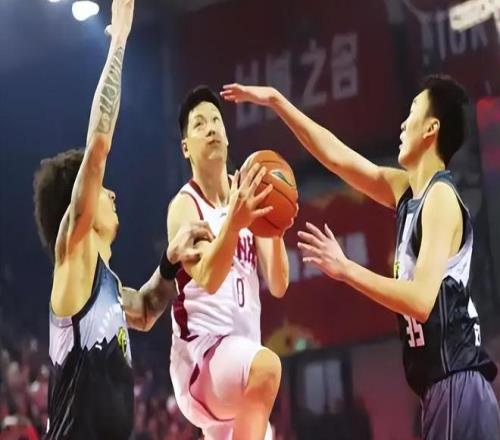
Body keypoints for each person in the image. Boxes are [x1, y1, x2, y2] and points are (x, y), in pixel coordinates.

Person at [221, 76, 500, 439]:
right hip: (441, 391)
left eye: (412, 112)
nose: (403, 124)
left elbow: (421, 301)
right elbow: (337, 158)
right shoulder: (407, 191)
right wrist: (277, 102)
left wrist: (346, 269)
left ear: (431, 129)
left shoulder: (441, 199)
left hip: (458, 385)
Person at [32, 2, 212, 438]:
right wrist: (119, 42)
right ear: (79, 205)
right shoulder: (73, 258)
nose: (111, 194)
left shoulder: (108, 291)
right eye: (101, 189)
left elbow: (147, 310)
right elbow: (97, 149)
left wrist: (170, 261)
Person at [167, 86, 295, 440]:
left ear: (226, 135)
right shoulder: (185, 207)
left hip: (239, 368)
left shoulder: (248, 192)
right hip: (202, 359)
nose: (211, 128)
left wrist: (275, 227)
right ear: (186, 147)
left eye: (216, 121)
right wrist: (234, 225)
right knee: (267, 368)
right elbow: (208, 278)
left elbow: (279, 284)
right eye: (199, 124)